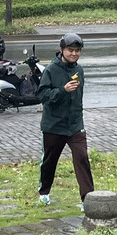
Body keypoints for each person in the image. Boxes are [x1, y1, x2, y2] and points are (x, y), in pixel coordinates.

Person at [36, 31, 94, 204]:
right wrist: (62, 90)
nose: (74, 54)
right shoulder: (51, 70)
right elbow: (43, 96)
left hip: (75, 125)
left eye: (77, 50)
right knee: (49, 161)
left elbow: (79, 97)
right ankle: (44, 192)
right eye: (70, 50)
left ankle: (88, 199)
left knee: (82, 157)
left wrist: (79, 117)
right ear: (62, 50)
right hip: (54, 125)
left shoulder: (79, 70)